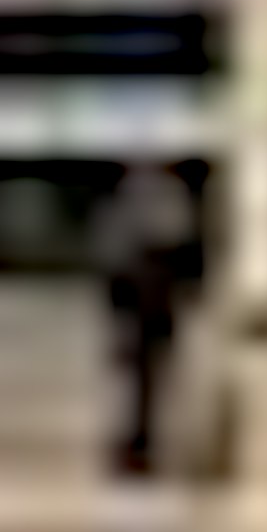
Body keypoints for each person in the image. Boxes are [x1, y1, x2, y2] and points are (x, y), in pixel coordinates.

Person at [96, 162, 214, 482]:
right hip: (149, 303)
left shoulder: (140, 198)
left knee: (147, 379)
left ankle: (145, 445)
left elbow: (118, 256)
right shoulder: (162, 199)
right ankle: (145, 445)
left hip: (150, 303)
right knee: (147, 379)